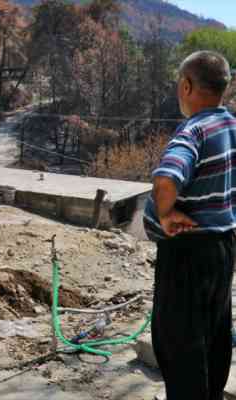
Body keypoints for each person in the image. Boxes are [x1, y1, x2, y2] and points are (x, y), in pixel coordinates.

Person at [143, 51, 235, 400]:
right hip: (223, 248)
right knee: (213, 336)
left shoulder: (194, 130)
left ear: (186, 85)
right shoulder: (230, 125)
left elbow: (166, 179)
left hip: (186, 254)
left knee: (179, 343)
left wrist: (165, 216)